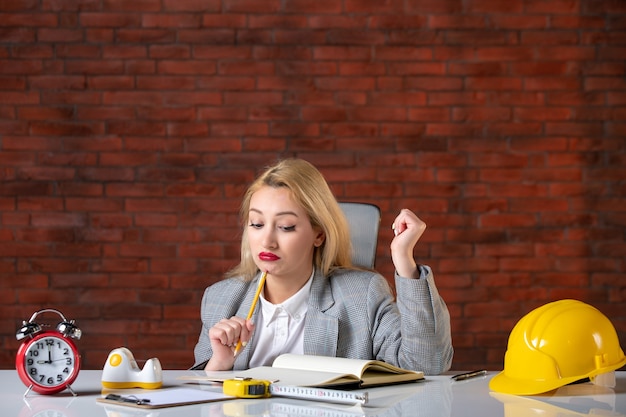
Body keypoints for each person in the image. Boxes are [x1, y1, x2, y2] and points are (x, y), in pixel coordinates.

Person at [192, 159, 453, 375]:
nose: (267, 241)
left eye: (286, 227)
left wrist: (404, 260)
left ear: (319, 234)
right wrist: (219, 365)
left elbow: (426, 363)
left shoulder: (362, 295)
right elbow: (197, 401)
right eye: (257, 224)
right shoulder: (221, 299)